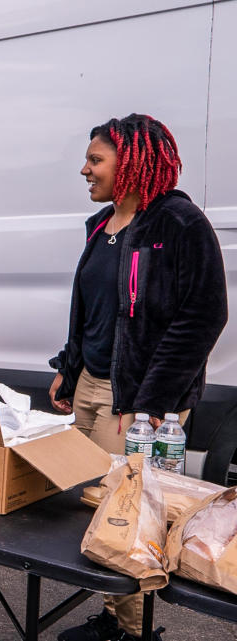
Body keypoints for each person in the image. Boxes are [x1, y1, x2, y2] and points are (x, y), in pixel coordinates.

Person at [50, 114, 227, 641]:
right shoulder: (101, 226)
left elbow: (204, 316)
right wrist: (69, 366)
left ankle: (131, 630)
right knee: (90, 506)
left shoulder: (178, 222)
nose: (85, 170)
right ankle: (115, 616)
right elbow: (93, 310)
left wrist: (153, 399)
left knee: (126, 518)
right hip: (92, 385)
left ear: (130, 162)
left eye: (96, 160)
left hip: (140, 401)